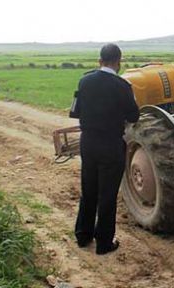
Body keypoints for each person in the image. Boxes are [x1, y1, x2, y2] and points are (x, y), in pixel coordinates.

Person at [72, 44, 140, 255]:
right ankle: (104, 243)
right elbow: (134, 116)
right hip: (111, 145)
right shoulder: (122, 86)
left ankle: (83, 235)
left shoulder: (85, 81)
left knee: (89, 189)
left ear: (100, 61)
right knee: (108, 195)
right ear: (118, 62)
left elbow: (75, 111)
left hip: (88, 143)